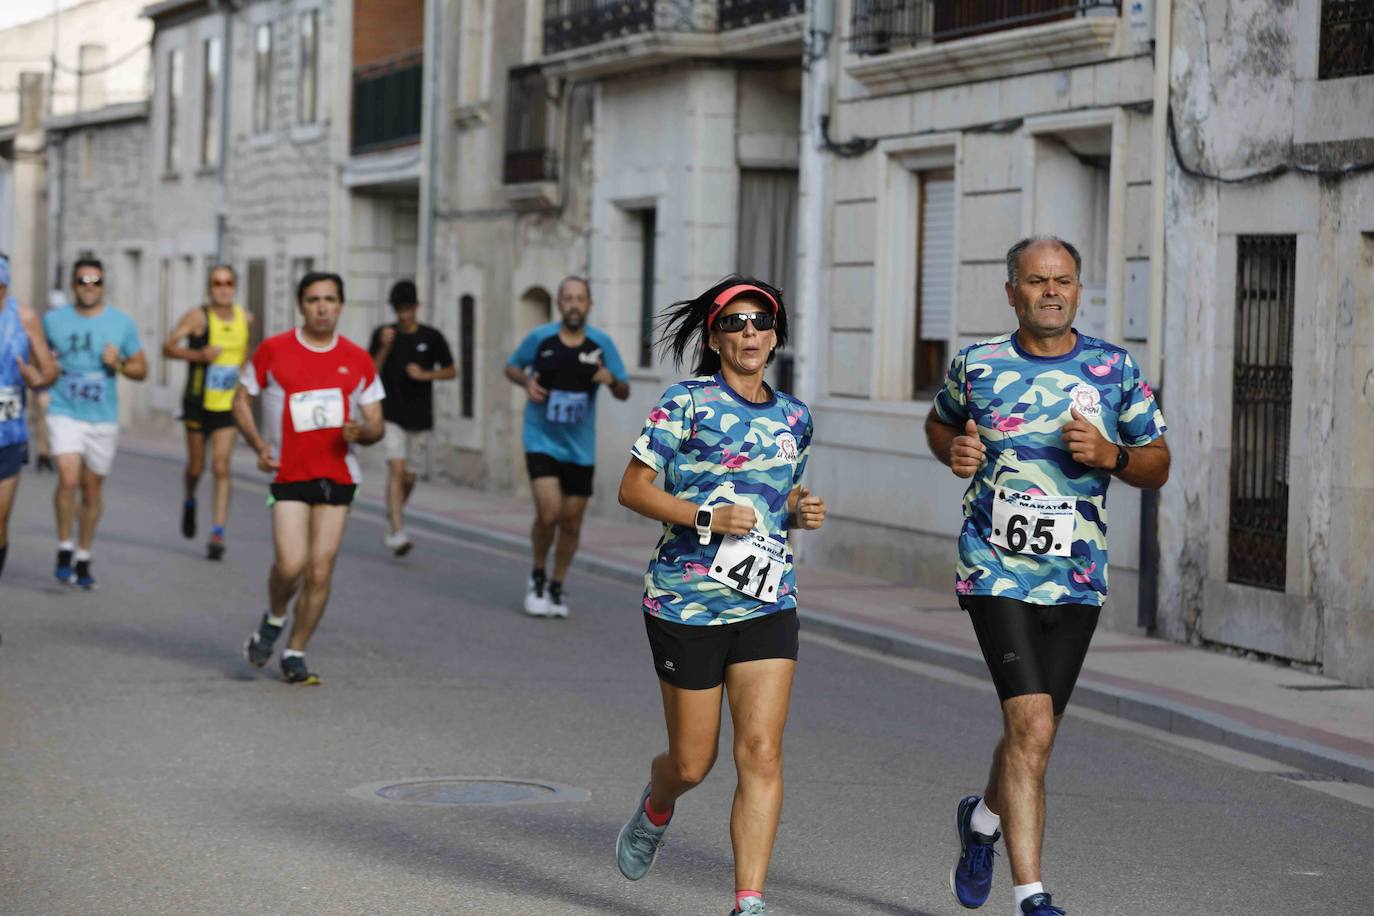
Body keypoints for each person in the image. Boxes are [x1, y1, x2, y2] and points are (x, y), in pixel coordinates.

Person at [924, 236, 1169, 916]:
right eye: (1036, 281)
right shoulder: (977, 365)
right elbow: (938, 426)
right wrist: (958, 449)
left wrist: (1113, 455)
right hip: (993, 569)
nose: (1051, 291)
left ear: (1079, 290)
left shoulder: (1114, 371)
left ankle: (981, 823)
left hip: (1076, 578)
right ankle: (1032, 897)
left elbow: (1159, 463)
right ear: (1013, 292)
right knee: (1029, 723)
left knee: (1035, 734)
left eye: (1062, 280)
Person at [614, 276, 826, 916]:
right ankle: (657, 805)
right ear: (714, 337)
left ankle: (749, 902)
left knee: (761, 751)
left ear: (777, 334)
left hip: (767, 600)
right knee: (692, 761)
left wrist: (797, 508)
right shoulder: (686, 403)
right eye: (734, 323)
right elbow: (632, 488)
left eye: (761, 321)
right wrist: (704, 519)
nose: (750, 333)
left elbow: (770, 497)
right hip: (686, 600)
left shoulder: (795, 417)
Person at [234, 271, 384, 685]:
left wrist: (364, 432)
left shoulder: (358, 359)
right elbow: (241, 399)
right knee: (290, 565)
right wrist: (258, 445)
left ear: (340, 306)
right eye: (314, 299)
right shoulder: (274, 350)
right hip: (289, 473)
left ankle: (296, 650)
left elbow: (377, 424)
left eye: (330, 299)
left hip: (338, 475)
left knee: (320, 570)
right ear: (301, 305)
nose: (322, 307)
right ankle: (274, 617)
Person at [504, 276, 629, 617]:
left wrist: (611, 381)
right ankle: (538, 574)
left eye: (580, 299)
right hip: (541, 439)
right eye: (568, 298)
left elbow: (624, 390)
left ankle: (558, 584)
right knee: (549, 512)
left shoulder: (601, 344)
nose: (574, 304)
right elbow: (511, 367)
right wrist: (527, 381)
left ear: (589, 305)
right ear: (559, 304)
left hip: (580, 447)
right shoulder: (540, 338)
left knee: (571, 522)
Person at [44, 258, 148, 589]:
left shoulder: (121, 323)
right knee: (68, 478)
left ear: (103, 285)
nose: (89, 285)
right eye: (82, 280)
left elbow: (141, 369)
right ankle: (64, 547)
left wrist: (117, 363)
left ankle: (84, 554)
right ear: (73, 285)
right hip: (65, 410)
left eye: (95, 280)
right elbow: (38, 358)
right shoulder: (53, 321)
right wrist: (46, 366)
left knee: (91, 491)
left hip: (102, 417)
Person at [163, 264, 253, 559]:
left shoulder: (245, 319)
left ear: (235, 287)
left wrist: (245, 390)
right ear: (209, 288)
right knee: (197, 467)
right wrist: (198, 355)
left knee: (222, 466)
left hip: (227, 405)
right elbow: (168, 347)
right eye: (217, 283)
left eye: (228, 283)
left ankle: (218, 531)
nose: (223, 288)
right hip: (198, 402)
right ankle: (189, 499)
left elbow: (246, 356)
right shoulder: (198, 317)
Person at [367, 279, 455, 556]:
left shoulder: (431, 337)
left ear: (416, 307)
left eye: (408, 309)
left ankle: (393, 514)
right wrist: (382, 347)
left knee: (409, 477)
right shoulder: (384, 334)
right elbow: (369, 371)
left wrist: (426, 375)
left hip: (420, 414)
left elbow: (452, 370)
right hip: (390, 412)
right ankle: (397, 529)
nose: (403, 315)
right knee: (396, 467)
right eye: (398, 309)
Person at [0, 252, 60, 592]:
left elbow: (50, 369)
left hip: (7, 434)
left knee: (0, 522)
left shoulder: (24, 318)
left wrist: (39, 378)